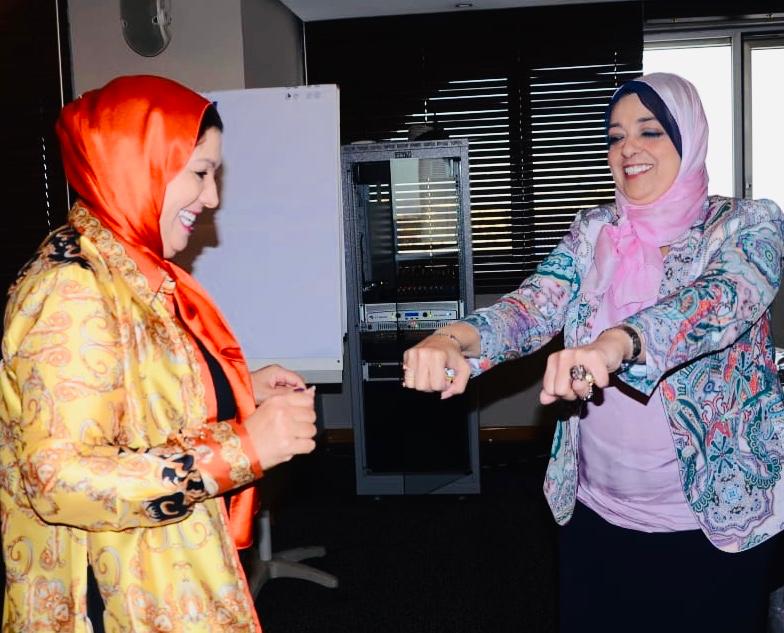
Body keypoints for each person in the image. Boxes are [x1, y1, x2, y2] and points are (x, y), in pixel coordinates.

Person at [403, 72, 784, 632]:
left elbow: (719, 301)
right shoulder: (594, 230)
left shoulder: (747, 224)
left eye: (650, 131)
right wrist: (453, 339)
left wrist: (616, 344)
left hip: (710, 520)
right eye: (615, 136)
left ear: (689, 138)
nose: (628, 148)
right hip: (596, 511)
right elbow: (532, 305)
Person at [0, 75, 318, 631]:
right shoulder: (72, 287)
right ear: (137, 166)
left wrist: (239, 389)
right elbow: (58, 480)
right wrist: (241, 449)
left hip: (159, 573)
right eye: (200, 173)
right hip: (108, 599)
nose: (212, 198)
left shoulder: (125, 268)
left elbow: (137, 394)